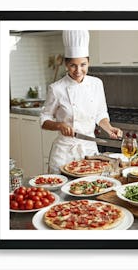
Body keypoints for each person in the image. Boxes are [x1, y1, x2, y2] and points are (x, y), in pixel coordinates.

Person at [40, 30, 123, 174]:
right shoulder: (56, 88)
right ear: (66, 64)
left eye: (83, 65)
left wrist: (109, 128)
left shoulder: (97, 84)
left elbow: (100, 113)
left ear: (89, 62)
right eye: (73, 65)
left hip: (89, 148)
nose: (78, 70)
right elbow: (44, 119)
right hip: (64, 151)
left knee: (90, 187)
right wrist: (59, 125)